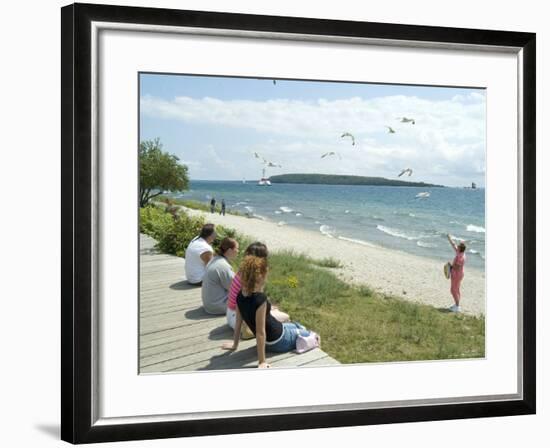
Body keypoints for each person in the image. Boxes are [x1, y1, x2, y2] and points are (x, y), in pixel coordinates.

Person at [222, 255, 312, 368]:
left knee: (293, 326)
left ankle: (298, 328)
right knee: (309, 334)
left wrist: (235, 344)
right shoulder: (260, 299)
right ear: (260, 277)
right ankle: (305, 333)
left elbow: (238, 323)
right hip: (278, 340)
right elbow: (260, 332)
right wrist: (262, 361)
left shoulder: (240, 295)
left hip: (277, 331)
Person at [226, 242, 289, 330]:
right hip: (239, 319)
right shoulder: (254, 278)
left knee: (275, 312)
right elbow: (257, 302)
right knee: (285, 317)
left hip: (231, 314)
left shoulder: (243, 271)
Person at [201, 237, 239, 314]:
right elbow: (235, 288)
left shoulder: (215, 259)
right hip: (217, 306)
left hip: (210, 304)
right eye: (237, 249)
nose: (238, 251)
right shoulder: (223, 266)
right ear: (229, 250)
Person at [447, 234, 466, 312]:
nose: (457, 247)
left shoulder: (461, 257)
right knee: (457, 289)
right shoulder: (460, 252)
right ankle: (456, 304)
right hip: (458, 274)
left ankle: (457, 306)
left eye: (458, 246)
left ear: (460, 249)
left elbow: (457, 267)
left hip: (457, 274)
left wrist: (450, 266)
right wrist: (449, 238)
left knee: (453, 290)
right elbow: (453, 245)